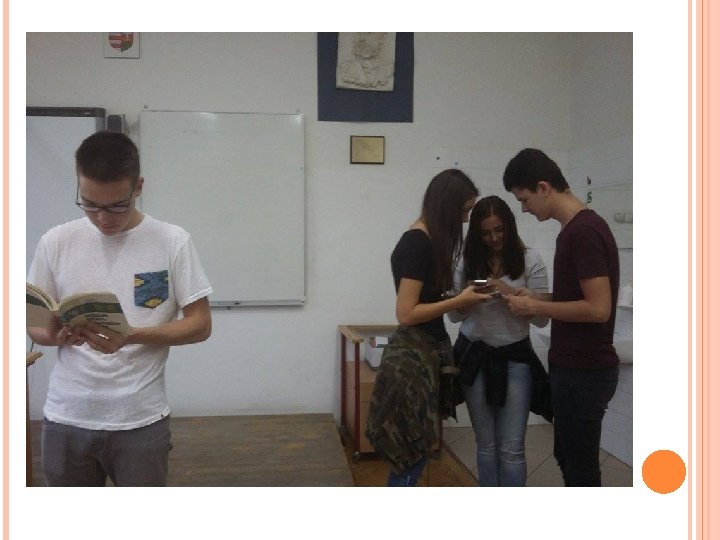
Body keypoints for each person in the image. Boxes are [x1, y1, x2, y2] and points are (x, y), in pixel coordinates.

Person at [26, 131, 213, 486]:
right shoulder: (56, 241)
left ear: (138, 187)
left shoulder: (171, 241)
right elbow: (34, 324)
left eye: (116, 206)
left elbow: (201, 324)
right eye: (89, 204)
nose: (102, 218)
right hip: (67, 417)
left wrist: (132, 335)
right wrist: (55, 335)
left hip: (139, 419)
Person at [501, 148, 619, 487]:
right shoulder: (574, 229)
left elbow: (598, 309)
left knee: (580, 470)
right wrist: (539, 297)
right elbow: (579, 298)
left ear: (543, 187)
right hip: (575, 368)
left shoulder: (583, 231)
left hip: (585, 371)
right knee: (567, 457)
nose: (524, 209)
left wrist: (537, 308)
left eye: (524, 200)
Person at [365, 168, 490, 487]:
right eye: (464, 211)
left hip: (423, 355)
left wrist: (458, 300)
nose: (466, 219)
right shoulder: (418, 243)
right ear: (448, 207)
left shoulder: (425, 241)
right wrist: (457, 300)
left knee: (416, 452)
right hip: (413, 361)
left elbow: (424, 300)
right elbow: (407, 313)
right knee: (411, 455)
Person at [447, 195, 549, 487]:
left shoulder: (530, 259)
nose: (493, 238)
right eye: (485, 233)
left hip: (516, 357)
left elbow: (542, 320)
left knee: (512, 448)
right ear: (476, 234)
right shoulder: (465, 261)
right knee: (486, 445)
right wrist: (468, 300)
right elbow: (453, 316)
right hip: (474, 356)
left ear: (510, 226)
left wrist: (508, 293)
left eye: (499, 230)